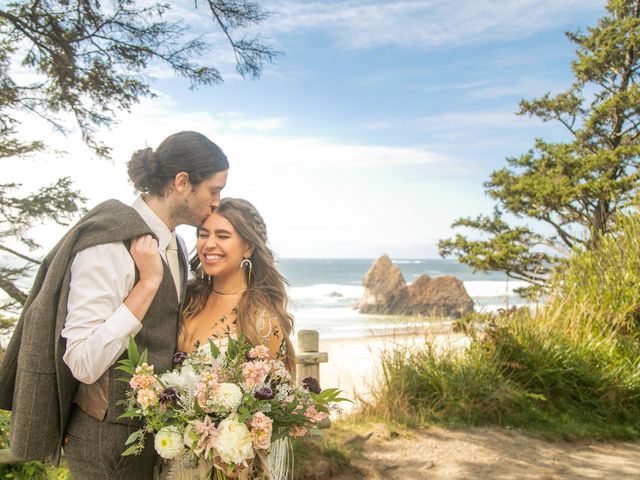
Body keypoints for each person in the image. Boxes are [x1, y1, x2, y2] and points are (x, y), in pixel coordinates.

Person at [0, 131, 229, 479]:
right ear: (183, 182)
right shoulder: (108, 246)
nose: (217, 201)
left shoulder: (178, 247)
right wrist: (147, 284)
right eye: (214, 190)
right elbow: (82, 362)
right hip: (105, 448)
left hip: (154, 442)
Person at [157, 198, 296, 480]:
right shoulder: (186, 299)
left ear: (248, 246)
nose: (208, 245)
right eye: (203, 234)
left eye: (222, 236)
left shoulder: (260, 319)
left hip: (229, 469)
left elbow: (268, 409)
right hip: (171, 461)